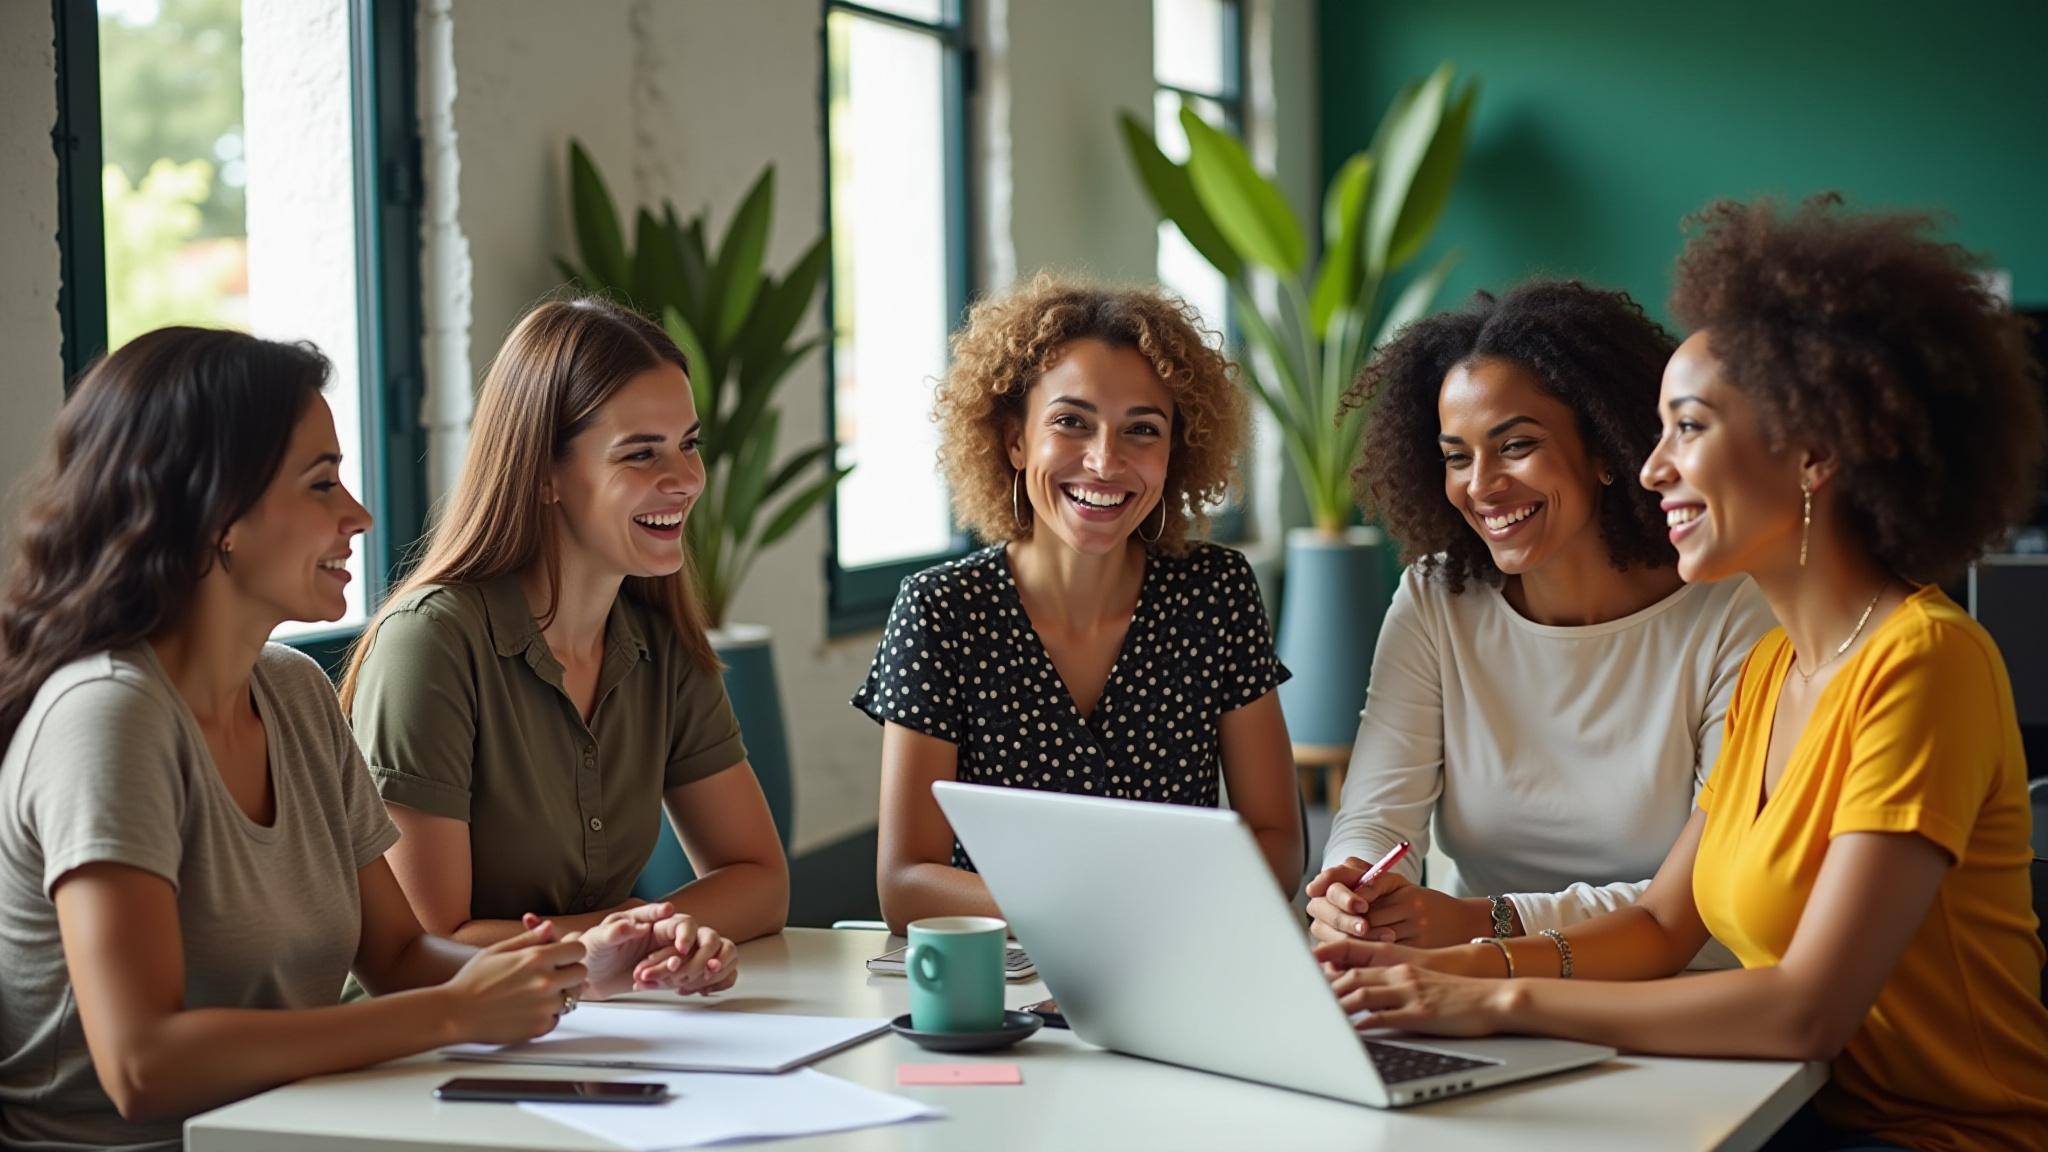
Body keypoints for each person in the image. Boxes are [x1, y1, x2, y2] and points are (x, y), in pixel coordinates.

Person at [1319, 196, 2048, 1152]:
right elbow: (1664, 922)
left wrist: (1493, 998)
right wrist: (1448, 973)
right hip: (1799, 1111)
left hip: (1943, 1136)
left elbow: (1802, 1015)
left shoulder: (1925, 662)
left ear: (1815, 450)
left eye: (1689, 429)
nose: (1653, 467)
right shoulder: (1778, 666)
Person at [0, 328, 690, 1151]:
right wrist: (452, 1013)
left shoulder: (291, 690)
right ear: (215, 511)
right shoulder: (107, 718)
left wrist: (574, 969)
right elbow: (143, 1064)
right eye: (322, 483)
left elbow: (395, 952)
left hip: (293, 1127)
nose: (357, 514)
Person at [1305, 280, 1773, 961]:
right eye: (1457, 457)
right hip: (1467, 989)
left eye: (1516, 445)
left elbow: (1699, 897)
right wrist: (1354, 885)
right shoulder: (1436, 601)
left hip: (1673, 1004)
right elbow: (1377, 813)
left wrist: (1482, 921)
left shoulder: (1733, 609)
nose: (1482, 484)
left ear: (1607, 449)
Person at [342, 298, 786, 984]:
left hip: (589, 1030)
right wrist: (624, 935)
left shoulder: (658, 638)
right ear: (544, 473)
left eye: (689, 443)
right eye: (640, 453)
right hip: (427, 1057)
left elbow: (759, 880)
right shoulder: (430, 646)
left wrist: (656, 937)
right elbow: (427, 945)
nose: (687, 479)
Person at [857, 277, 1302, 933]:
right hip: (999, 987)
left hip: (1176, 965)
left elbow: (1278, 841)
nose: (1104, 461)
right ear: (1014, 441)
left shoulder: (1217, 594)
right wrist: (1106, 911)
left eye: (1142, 430)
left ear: (1176, 451)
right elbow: (906, 884)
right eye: (1071, 422)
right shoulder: (940, 610)